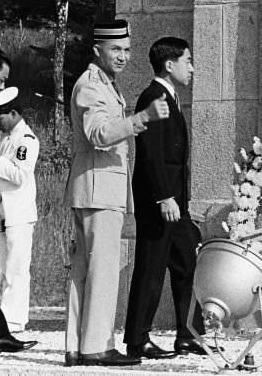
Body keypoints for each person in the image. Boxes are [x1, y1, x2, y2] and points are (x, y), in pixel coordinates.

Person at [64, 20, 170, 368]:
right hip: (98, 190)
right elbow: (99, 134)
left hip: (97, 189)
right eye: (116, 50)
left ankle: (78, 346)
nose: (123, 56)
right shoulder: (91, 87)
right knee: (103, 269)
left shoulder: (106, 85)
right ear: (98, 51)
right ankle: (96, 345)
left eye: (126, 50)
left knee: (86, 269)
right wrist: (142, 118)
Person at [124, 37, 205, 358]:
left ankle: (188, 334)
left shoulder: (169, 97)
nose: (192, 68)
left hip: (176, 204)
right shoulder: (153, 97)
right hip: (161, 203)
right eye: (188, 61)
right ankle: (136, 339)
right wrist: (163, 198)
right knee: (151, 268)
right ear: (169, 65)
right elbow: (150, 154)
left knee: (188, 262)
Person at [0, 87, 39, 334]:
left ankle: (13, 322)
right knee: (2, 267)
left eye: (0, 117)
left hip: (19, 215)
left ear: (13, 113)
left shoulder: (27, 140)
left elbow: (19, 175)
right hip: (3, 213)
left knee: (16, 268)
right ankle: (2, 321)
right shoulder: (4, 138)